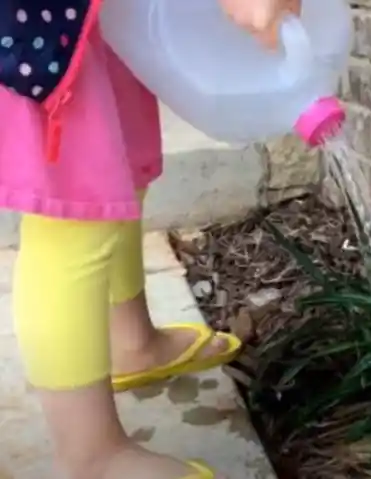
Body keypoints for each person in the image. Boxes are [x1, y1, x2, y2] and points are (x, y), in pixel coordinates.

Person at [3, 0, 300, 477]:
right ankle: (89, 455)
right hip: (40, 31)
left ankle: (132, 342)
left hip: (88, 21)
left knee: (118, 173)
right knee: (72, 219)